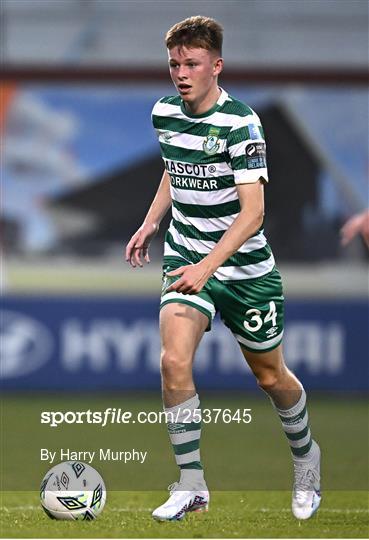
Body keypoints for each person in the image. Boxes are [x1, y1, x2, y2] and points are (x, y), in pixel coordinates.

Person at [126, 15, 321, 522]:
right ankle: (191, 484)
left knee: (271, 377)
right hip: (187, 256)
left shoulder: (241, 122)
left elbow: (253, 212)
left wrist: (209, 267)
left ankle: (306, 459)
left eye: (191, 63)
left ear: (216, 65)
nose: (180, 73)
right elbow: (175, 167)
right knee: (172, 360)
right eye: (174, 63)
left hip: (243, 270)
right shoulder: (165, 112)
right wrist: (150, 222)